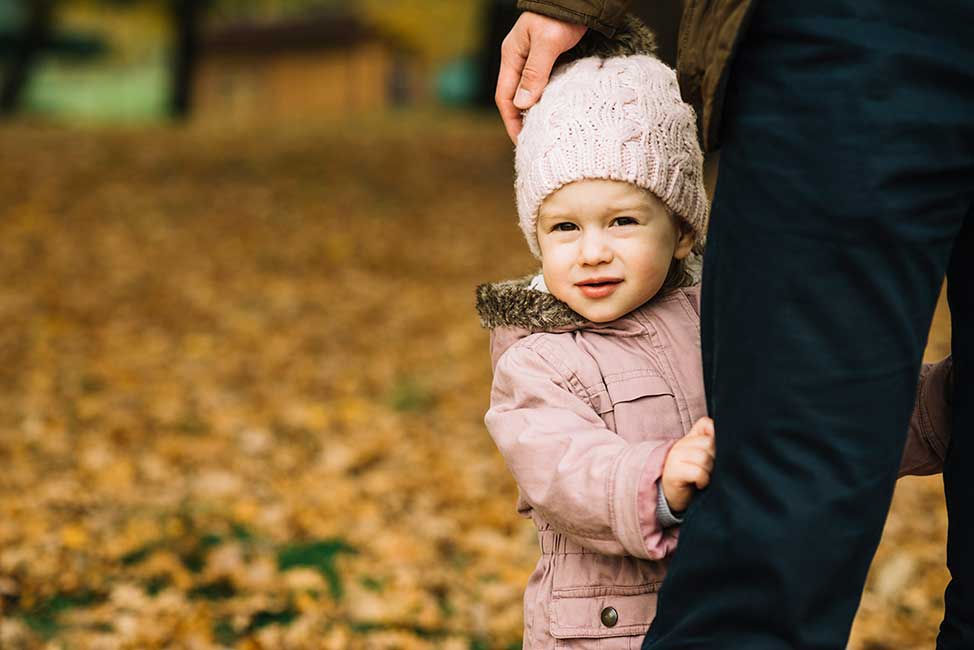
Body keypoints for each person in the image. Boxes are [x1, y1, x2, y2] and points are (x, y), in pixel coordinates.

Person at [496, 3, 972, 648]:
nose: (593, 252)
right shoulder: (537, 358)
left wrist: (938, 406)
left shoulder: (714, 317)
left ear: (685, 229)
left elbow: (826, 411)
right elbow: (556, 468)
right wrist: (654, 479)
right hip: (598, 632)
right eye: (563, 229)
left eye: (624, 222)